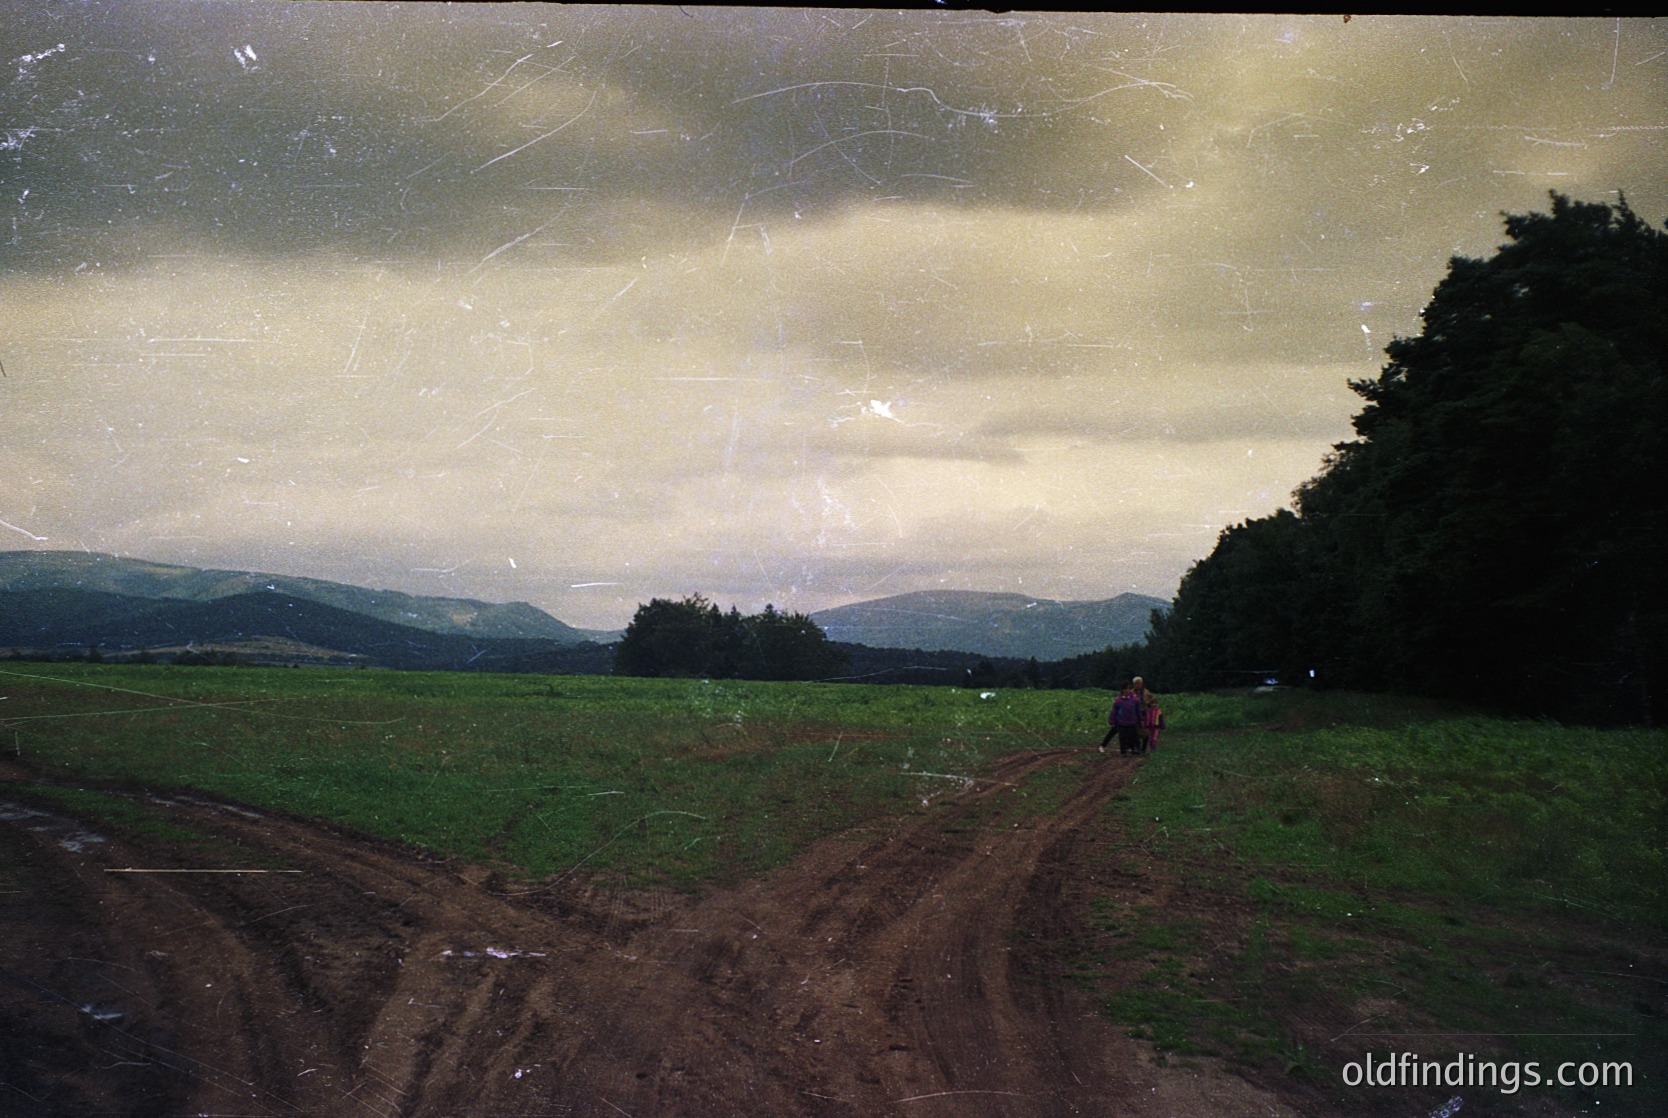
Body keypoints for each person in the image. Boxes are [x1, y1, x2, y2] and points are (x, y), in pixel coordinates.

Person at [1099, 682, 1143, 755]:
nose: (1127, 691)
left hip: (1132, 721)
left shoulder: (1134, 699)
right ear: (1122, 690)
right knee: (1122, 737)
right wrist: (1111, 720)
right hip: (1121, 722)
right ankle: (1123, 751)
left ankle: (1136, 749)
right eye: (1125, 689)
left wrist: (1140, 719)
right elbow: (1114, 711)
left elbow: (1137, 710)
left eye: (1128, 689)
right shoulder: (1119, 700)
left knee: (1134, 736)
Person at [1132, 676, 1162, 755]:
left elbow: (1150, 703)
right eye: (1136, 684)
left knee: (1145, 732)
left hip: (1145, 714)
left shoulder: (1146, 692)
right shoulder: (1131, 693)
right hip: (1134, 714)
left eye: (1139, 684)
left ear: (1142, 684)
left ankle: (1143, 749)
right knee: (1135, 732)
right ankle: (1136, 748)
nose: (1137, 685)